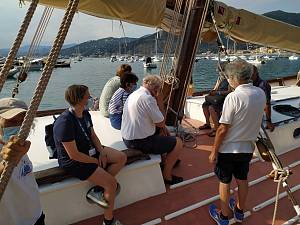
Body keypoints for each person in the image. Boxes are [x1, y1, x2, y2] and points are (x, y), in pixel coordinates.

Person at [53, 85, 127, 225]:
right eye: (87, 95)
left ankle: (98, 189)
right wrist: (94, 161)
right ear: (80, 99)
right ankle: (108, 221)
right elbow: (73, 154)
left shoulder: (85, 113)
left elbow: (93, 135)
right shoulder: (64, 122)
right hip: (73, 161)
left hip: (89, 149)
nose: (90, 97)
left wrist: (102, 152)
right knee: (111, 184)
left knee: (121, 157)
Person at [208, 59, 266, 225]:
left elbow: (222, 129)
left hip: (228, 150)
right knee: (242, 179)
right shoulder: (260, 93)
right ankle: (239, 211)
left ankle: (224, 216)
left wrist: (213, 151)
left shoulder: (233, 97)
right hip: (247, 148)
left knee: (225, 182)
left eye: (229, 77)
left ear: (234, 78)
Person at [121, 75, 183, 185]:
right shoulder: (148, 98)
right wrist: (159, 101)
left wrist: (162, 128)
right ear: (156, 90)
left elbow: (159, 125)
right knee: (178, 142)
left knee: (162, 131)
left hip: (127, 138)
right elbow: (161, 122)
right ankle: (167, 175)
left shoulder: (134, 94)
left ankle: (166, 160)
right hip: (138, 142)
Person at [0, 97, 45, 225]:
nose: (18, 125)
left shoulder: (19, 144)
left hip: (36, 216)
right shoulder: (8, 149)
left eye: (22, 121)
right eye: (11, 120)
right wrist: (6, 162)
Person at [199, 62, 231, 137]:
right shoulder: (220, 78)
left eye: (221, 70)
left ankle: (217, 129)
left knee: (211, 108)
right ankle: (208, 124)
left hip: (224, 99)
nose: (220, 72)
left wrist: (218, 92)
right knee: (205, 105)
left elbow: (229, 91)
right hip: (217, 97)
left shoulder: (230, 79)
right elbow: (215, 88)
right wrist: (212, 92)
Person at [251, 65, 275, 131]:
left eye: (251, 74)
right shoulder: (250, 84)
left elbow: (267, 104)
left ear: (256, 73)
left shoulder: (263, 85)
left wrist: (268, 121)